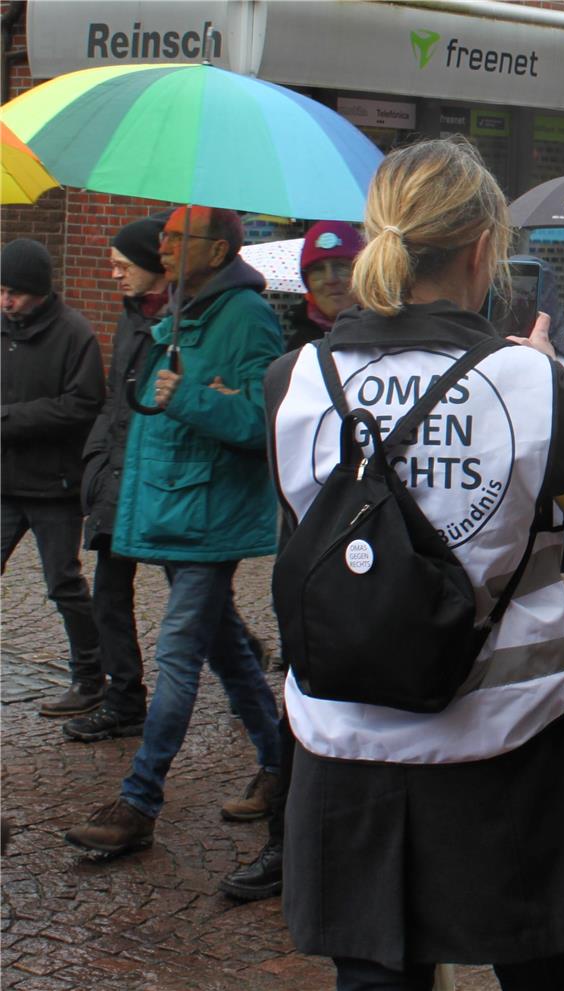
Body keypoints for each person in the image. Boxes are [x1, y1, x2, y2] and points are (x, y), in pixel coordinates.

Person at [263, 139, 564, 984]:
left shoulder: (293, 377)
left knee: (375, 975)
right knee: (545, 969)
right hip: (509, 735)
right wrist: (563, 385)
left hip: (346, 734)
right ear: (483, 250)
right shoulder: (523, 381)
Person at [61, 207, 283, 859]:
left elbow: (259, 420)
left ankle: (139, 800)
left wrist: (190, 395)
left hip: (208, 514)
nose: (161, 245)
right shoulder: (183, 307)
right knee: (228, 652)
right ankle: (279, 763)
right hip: (174, 507)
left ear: (215, 251)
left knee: (178, 654)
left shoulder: (246, 317)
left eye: (175, 238)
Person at [62, 218, 169, 743]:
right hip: (118, 477)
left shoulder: (181, 321)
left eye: (123, 265)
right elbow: (113, 398)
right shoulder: (130, 317)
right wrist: (97, 459)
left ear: (154, 265)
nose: (113, 275)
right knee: (109, 593)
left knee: (199, 603)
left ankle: (243, 667)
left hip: (164, 482)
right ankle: (125, 700)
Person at [1, 238, 106, 719]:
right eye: (1, 291)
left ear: (40, 291)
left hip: (55, 487)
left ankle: (90, 678)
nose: (6, 302)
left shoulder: (74, 333)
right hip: (5, 480)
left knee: (64, 584)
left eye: (15, 293)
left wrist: (9, 419)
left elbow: (82, 404)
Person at [282, 221, 366, 351]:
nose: (330, 279)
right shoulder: (298, 351)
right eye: (318, 269)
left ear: (363, 273)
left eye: (341, 267)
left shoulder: (389, 337)